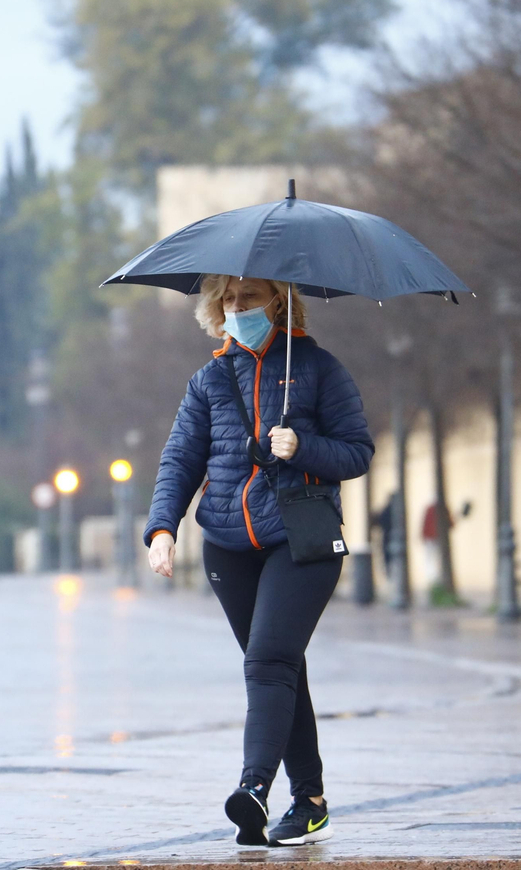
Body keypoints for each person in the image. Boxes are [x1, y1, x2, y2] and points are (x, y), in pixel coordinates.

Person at [145, 274, 373, 848]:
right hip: (227, 545)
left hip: (300, 538)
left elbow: (357, 452)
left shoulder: (317, 368)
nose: (235, 306)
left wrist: (302, 446)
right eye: (226, 298)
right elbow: (180, 459)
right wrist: (162, 528)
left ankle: (253, 789)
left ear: (278, 300)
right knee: (279, 666)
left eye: (247, 296)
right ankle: (310, 802)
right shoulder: (209, 379)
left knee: (269, 660)